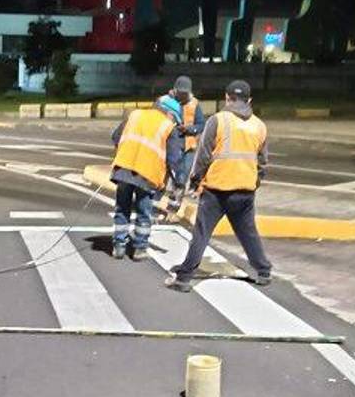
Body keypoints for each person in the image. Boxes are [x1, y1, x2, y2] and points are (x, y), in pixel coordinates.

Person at [166, 79, 272, 291]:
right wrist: (254, 181)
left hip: (217, 190)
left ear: (226, 97)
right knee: (248, 232)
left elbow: (203, 155)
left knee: (202, 233)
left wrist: (195, 180)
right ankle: (263, 271)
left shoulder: (218, 120)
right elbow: (262, 161)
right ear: (249, 100)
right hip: (245, 191)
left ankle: (184, 278)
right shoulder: (259, 126)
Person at [110, 92, 187, 261]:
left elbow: (115, 137)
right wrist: (179, 183)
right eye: (175, 118)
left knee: (122, 208)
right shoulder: (167, 126)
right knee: (144, 212)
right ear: (169, 113)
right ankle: (139, 248)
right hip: (147, 174)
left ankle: (118, 246)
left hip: (123, 168)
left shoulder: (135, 115)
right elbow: (175, 160)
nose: (174, 122)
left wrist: (125, 151)